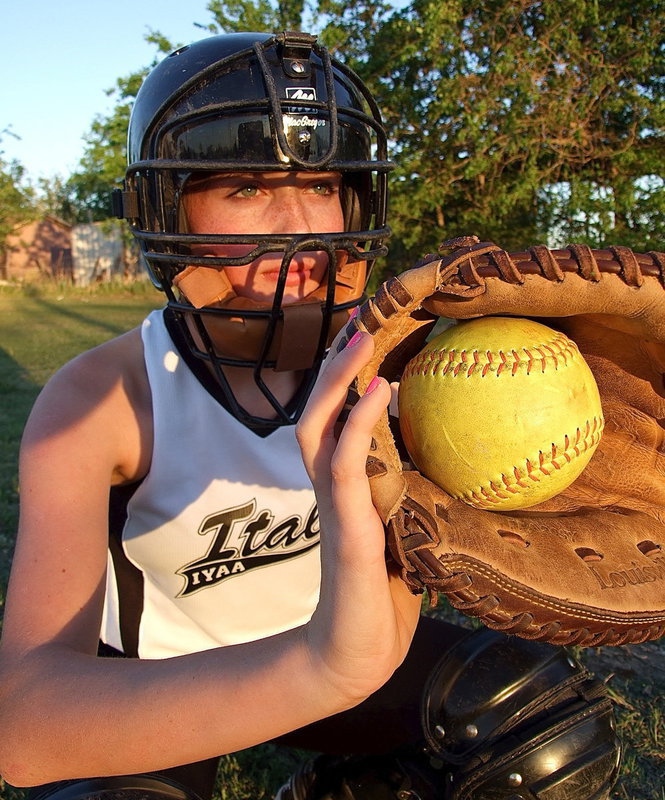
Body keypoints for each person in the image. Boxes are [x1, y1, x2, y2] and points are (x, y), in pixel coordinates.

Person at [0, 31, 621, 800]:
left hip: (341, 649)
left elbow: (387, 617)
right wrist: (320, 669)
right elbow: (24, 726)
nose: (301, 229)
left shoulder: (403, 368)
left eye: (322, 183)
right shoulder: (104, 397)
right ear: (167, 206)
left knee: (542, 730)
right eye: (246, 188)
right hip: (170, 685)